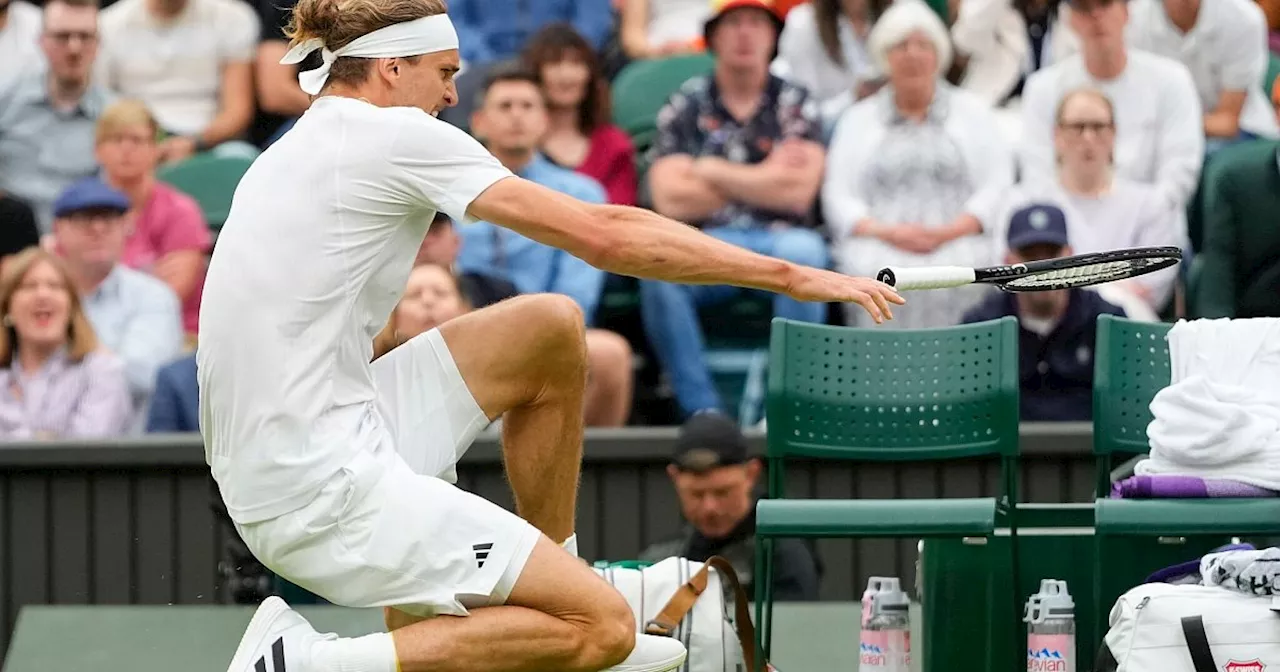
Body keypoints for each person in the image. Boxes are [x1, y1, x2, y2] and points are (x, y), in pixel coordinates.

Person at [202, 2, 903, 672]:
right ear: (391, 68)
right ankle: (307, 661)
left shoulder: (296, 150)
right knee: (601, 628)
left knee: (549, 327)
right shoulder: (393, 136)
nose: (452, 94)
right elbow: (605, 233)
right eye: (445, 73)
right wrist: (790, 274)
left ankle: (556, 570)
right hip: (316, 485)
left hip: (298, 451)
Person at [962, 203, 1125, 421]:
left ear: (1070, 256)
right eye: (1029, 256)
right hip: (1004, 452)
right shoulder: (981, 324)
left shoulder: (1105, 319)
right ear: (1008, 260)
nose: (1042, 268)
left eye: (1052, 255)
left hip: (1091, 452)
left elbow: (1128, 407)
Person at [639, 411, 821, 601]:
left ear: (751, 473)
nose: (710, 507)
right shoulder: (662, 558)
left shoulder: (783, 551)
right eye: (696, 494)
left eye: (723, 492)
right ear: (674, 478)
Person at [0, 247, 133, 438]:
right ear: (7, 308)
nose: (43, 295)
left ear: (72, 307)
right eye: (29, 286)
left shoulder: (103, 372)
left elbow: (86, 451)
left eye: (55, 286)